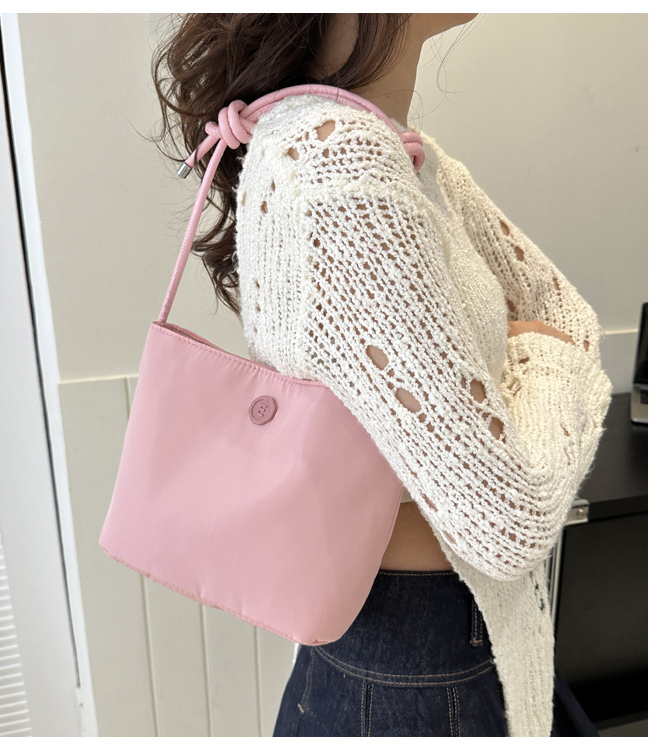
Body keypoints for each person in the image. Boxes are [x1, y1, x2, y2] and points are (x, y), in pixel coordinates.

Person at [152, 13, 612, 737]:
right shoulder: (341, 169)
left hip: (426, 644)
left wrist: (541, 342)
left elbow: (563, 313)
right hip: (421, 659)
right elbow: (509, 521)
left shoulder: (391, 149)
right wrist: (540, 352)